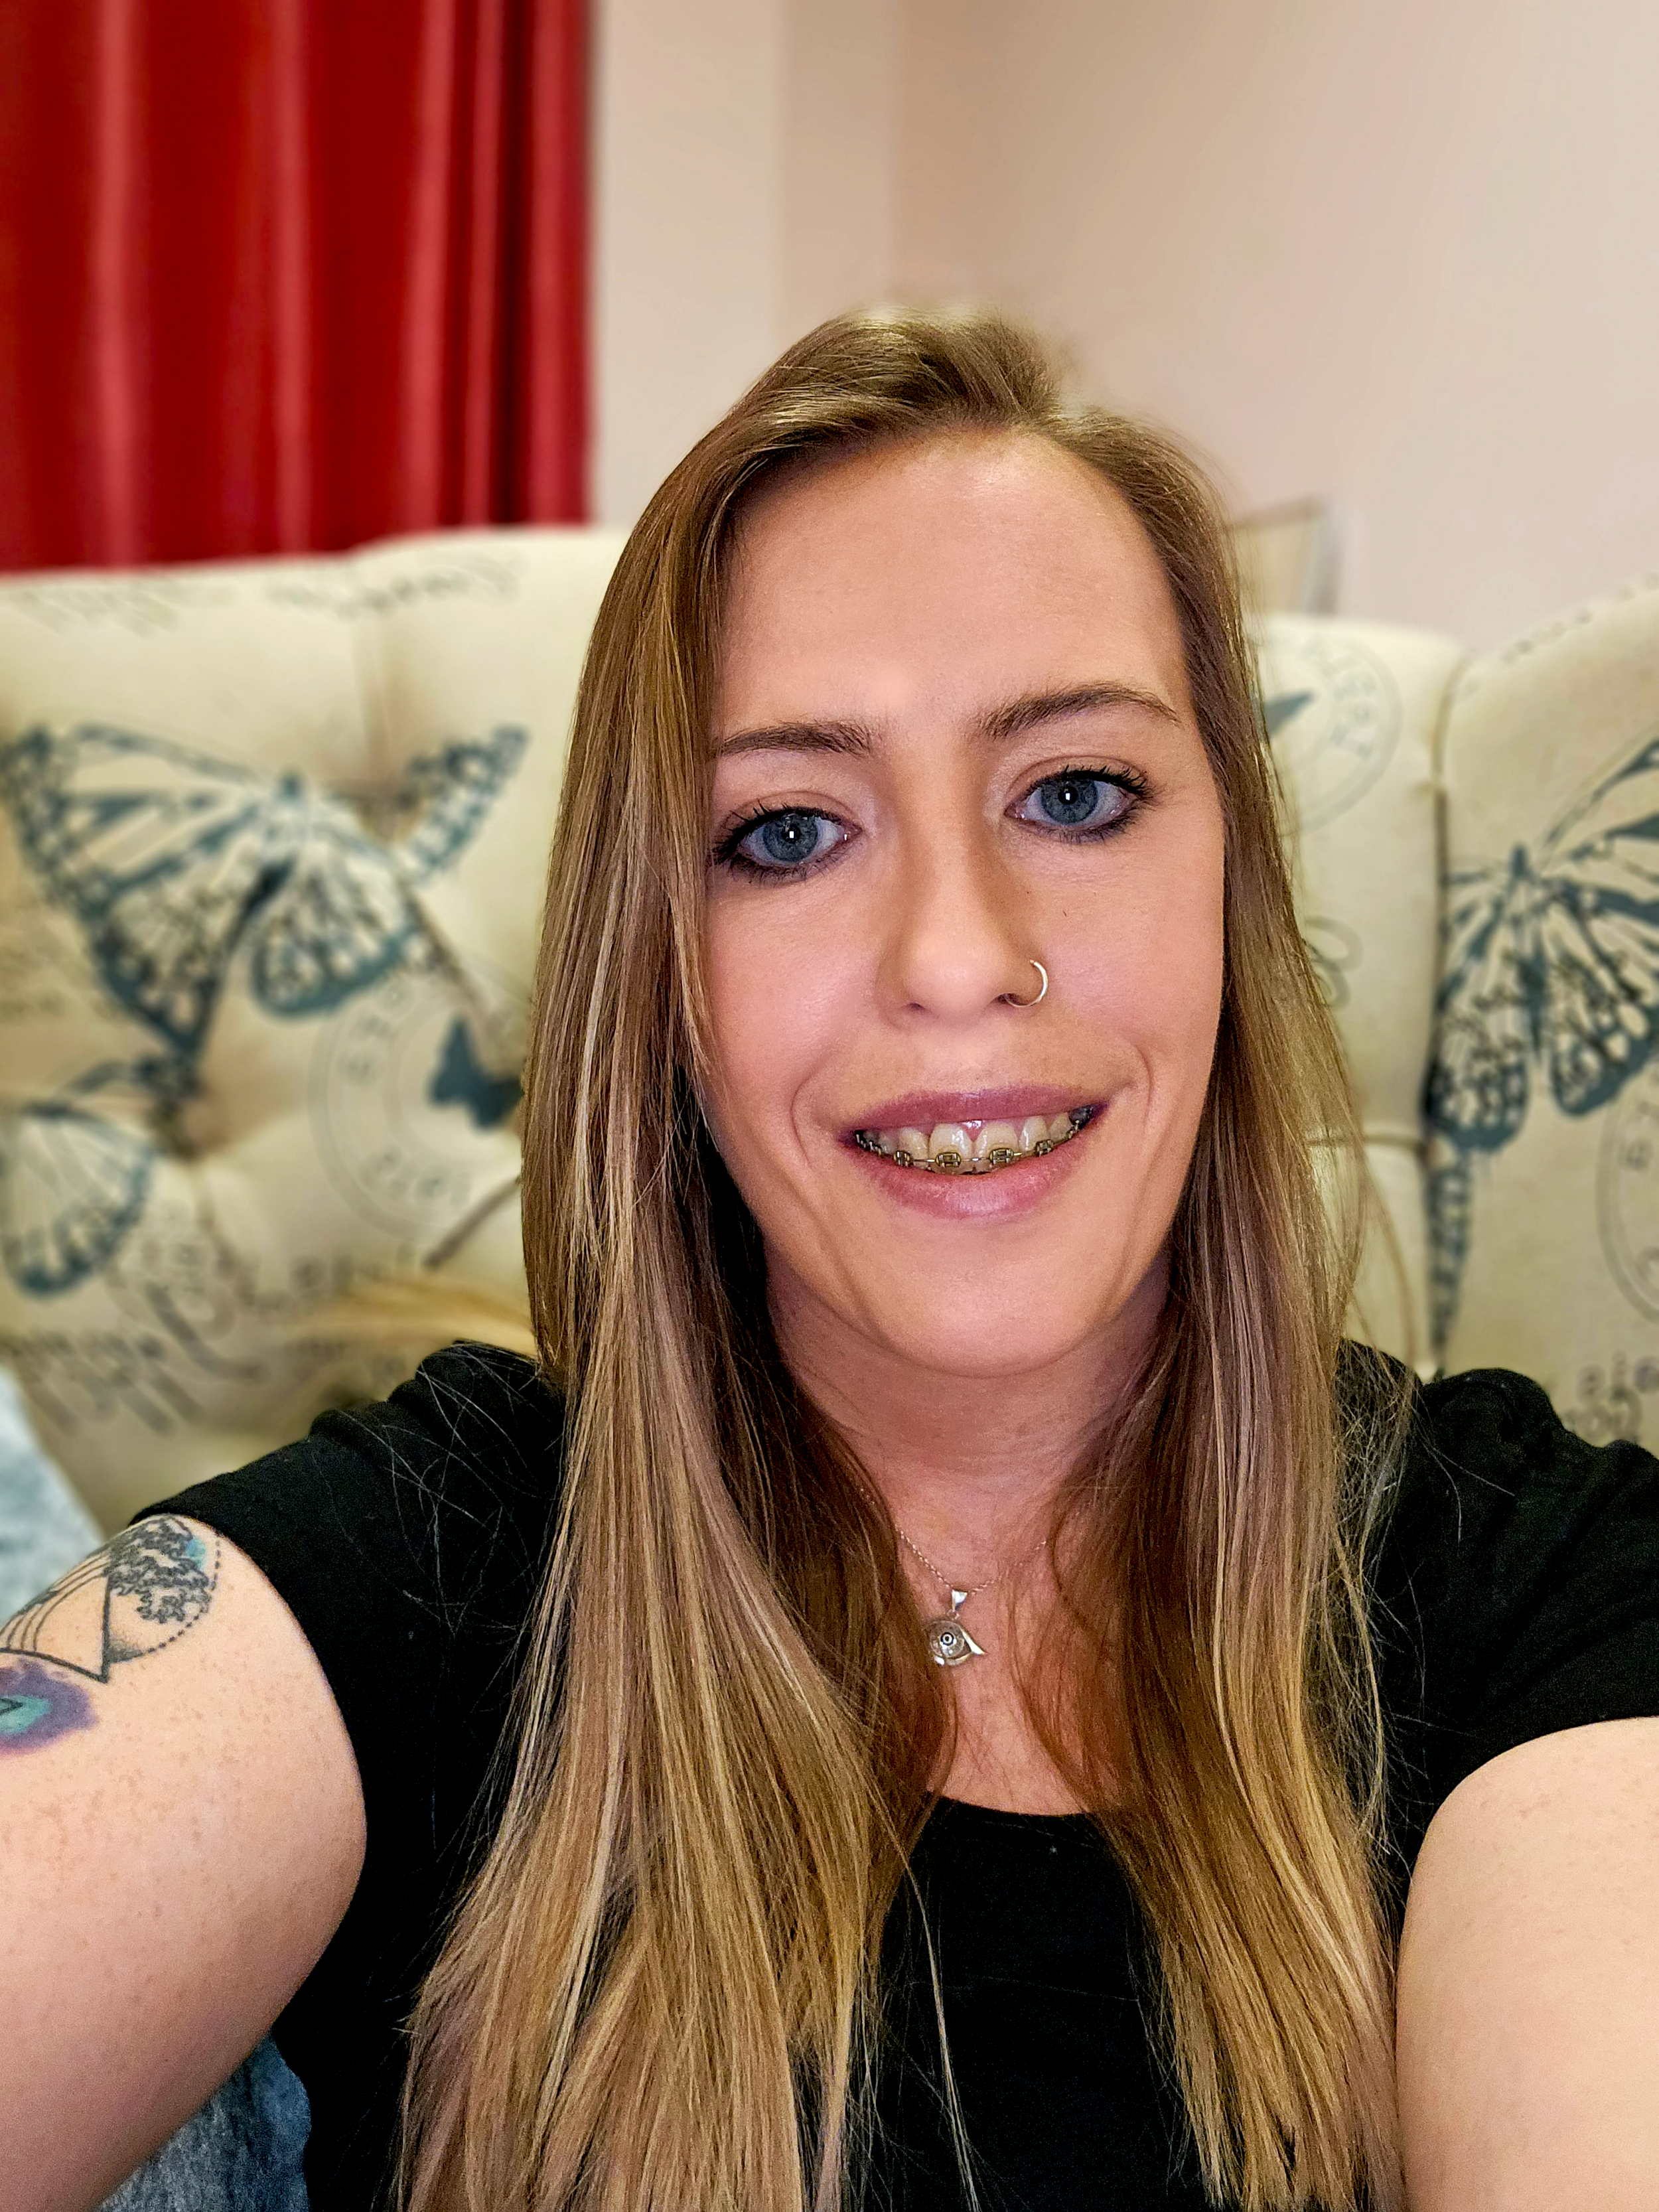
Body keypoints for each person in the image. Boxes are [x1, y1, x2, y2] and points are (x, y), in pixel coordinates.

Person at [3, 309, 1657, 2212]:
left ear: (1230, 881)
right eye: (785, 830)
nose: (957, 954)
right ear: (661, 977)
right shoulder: (441, 1563)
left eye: (1077, 793)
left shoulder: (1532, 1585)